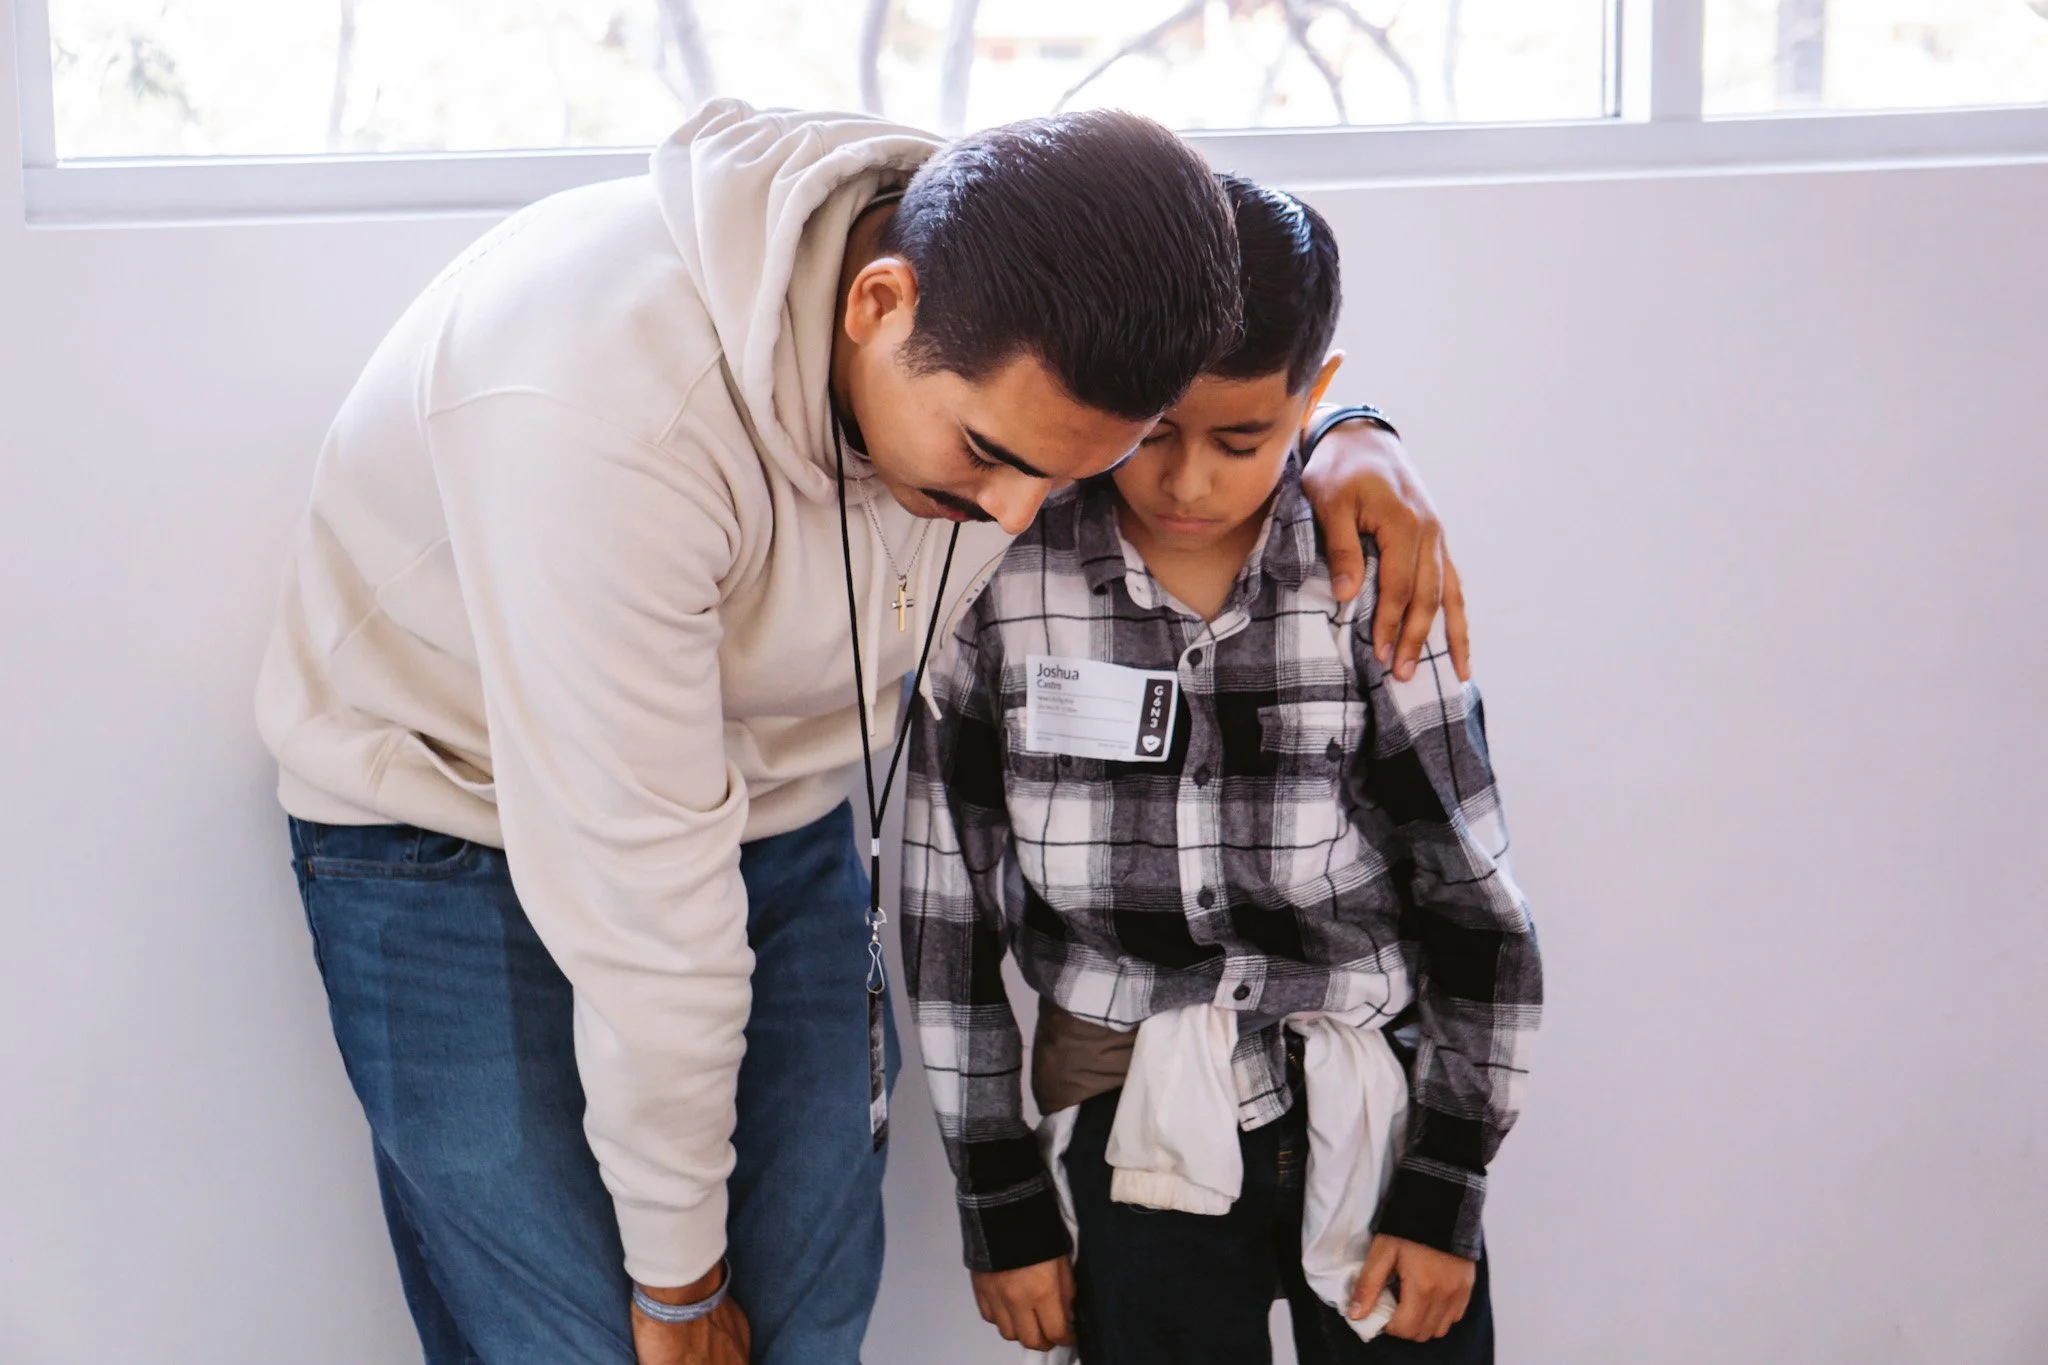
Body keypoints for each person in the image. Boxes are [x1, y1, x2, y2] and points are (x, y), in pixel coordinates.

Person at [260, 99, 1470, 1365]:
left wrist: (1346, 437)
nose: (1008, 516)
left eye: (1062, 476)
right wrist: (677, 1288)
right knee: (587, 1348)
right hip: (441, 822)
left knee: (805, 1323)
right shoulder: (600, 411)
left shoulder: (1022, 264)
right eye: (991, 456)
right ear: (875, 304)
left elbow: (1250, 290)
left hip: (765, 807)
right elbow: (651, 927)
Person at [903, 175, 1542, 1364]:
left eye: (1242, 440)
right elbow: (945, 915)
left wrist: (1446, 1182)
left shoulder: (1366, 574)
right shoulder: (998, 582)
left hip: (1376, 1121)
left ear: (1314, 400)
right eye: (1150, 432)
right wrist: (997, 1195)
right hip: (1127, 1121)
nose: (1187, 482)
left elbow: (1475, 898)